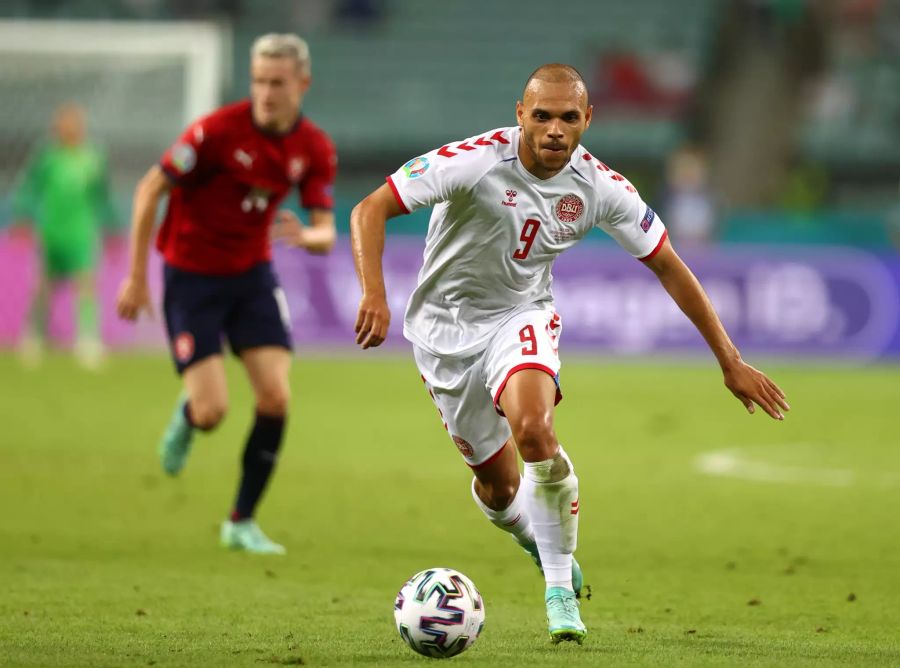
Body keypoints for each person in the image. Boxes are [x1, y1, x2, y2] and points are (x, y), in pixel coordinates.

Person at [350, 64, 789, 644]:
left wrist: (729, 359)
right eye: (542, 116)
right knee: (500, 489)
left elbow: (668, 265)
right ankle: (535, 538)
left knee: (534, 430)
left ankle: (559, 593)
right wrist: (375, 295)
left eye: (567, 117)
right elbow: (368, 209)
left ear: (588, 119)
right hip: (443, 334)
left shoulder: (600, 187)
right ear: (520, 115)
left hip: (521, 315)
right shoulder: (473, 161)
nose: (555, 130)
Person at [116, 33, 337, 555]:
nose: (266, 92)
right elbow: (151, 188)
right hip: (191, 276)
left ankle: (241, 521)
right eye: (259, 80)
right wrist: (136, 276)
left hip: (252, 275)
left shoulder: (314, 148)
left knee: (276, 397)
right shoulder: (215, 132)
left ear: (302, 84)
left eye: (277, 82)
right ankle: (190, 415)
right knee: (213, 411)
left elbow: (327, 231)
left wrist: (307, 236)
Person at [12, 102, 117, 370]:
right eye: (64, 124)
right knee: (44, 287)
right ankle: (34, 337)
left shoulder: (93, 157)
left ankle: (88, 341)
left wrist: (112, 226)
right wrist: (22, 215)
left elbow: (103, 196)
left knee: (86, 284)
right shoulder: (47, 157)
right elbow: (29, 188)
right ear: (57, 128)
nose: (69, 129)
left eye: (74, 124)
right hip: (51, 232)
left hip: (81, 232)